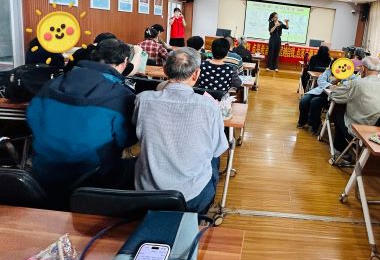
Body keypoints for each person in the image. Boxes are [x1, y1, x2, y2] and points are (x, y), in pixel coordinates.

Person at [26, 39, 137, 197]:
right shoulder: (122, 96)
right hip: (92, 178)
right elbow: (125, 140)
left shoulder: (52, 84)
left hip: (43, 172)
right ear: (125, 62)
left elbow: (32, 118)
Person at [133, 48, 229, 214]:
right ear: (196, 74)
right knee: (214, 159)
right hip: (192, 196)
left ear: (165, 70)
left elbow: (137, 133)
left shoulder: (143, 99)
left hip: (146, 191)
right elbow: (217, 148)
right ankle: (199, 217)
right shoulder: (209, 106)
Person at [330, 56, 380, 155]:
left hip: (363, 129)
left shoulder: (356, 83)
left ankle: (341, 152)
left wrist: (333, 88)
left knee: (338, 114)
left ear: (363, 68)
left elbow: (335, 95)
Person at [298, 60, 358, 135]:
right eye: (333, 67)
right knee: (304, 100)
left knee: (315, 102)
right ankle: (303, 121)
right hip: (320, 91)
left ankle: (315, 125)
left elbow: (353, 83)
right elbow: (320, 80)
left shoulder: (349, 74)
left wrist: (340, 81)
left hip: (332, 97)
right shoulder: (328, 71)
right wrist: (330, 85)